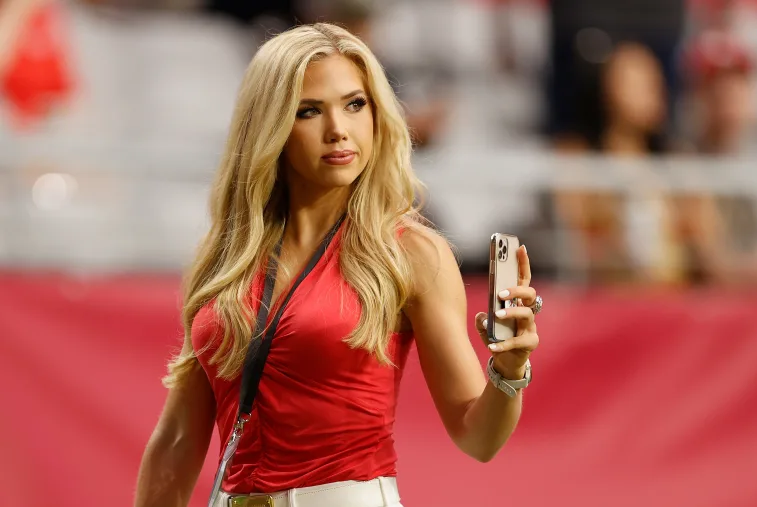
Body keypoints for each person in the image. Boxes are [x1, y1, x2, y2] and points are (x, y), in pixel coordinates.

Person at [134, 22, 541, 507]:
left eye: (355, 104)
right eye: (309, 111)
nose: (337, 131)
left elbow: (478, 437)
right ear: (271, 126)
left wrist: (510, 367)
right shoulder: (224, 255)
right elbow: (178, 439)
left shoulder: (411, 252)